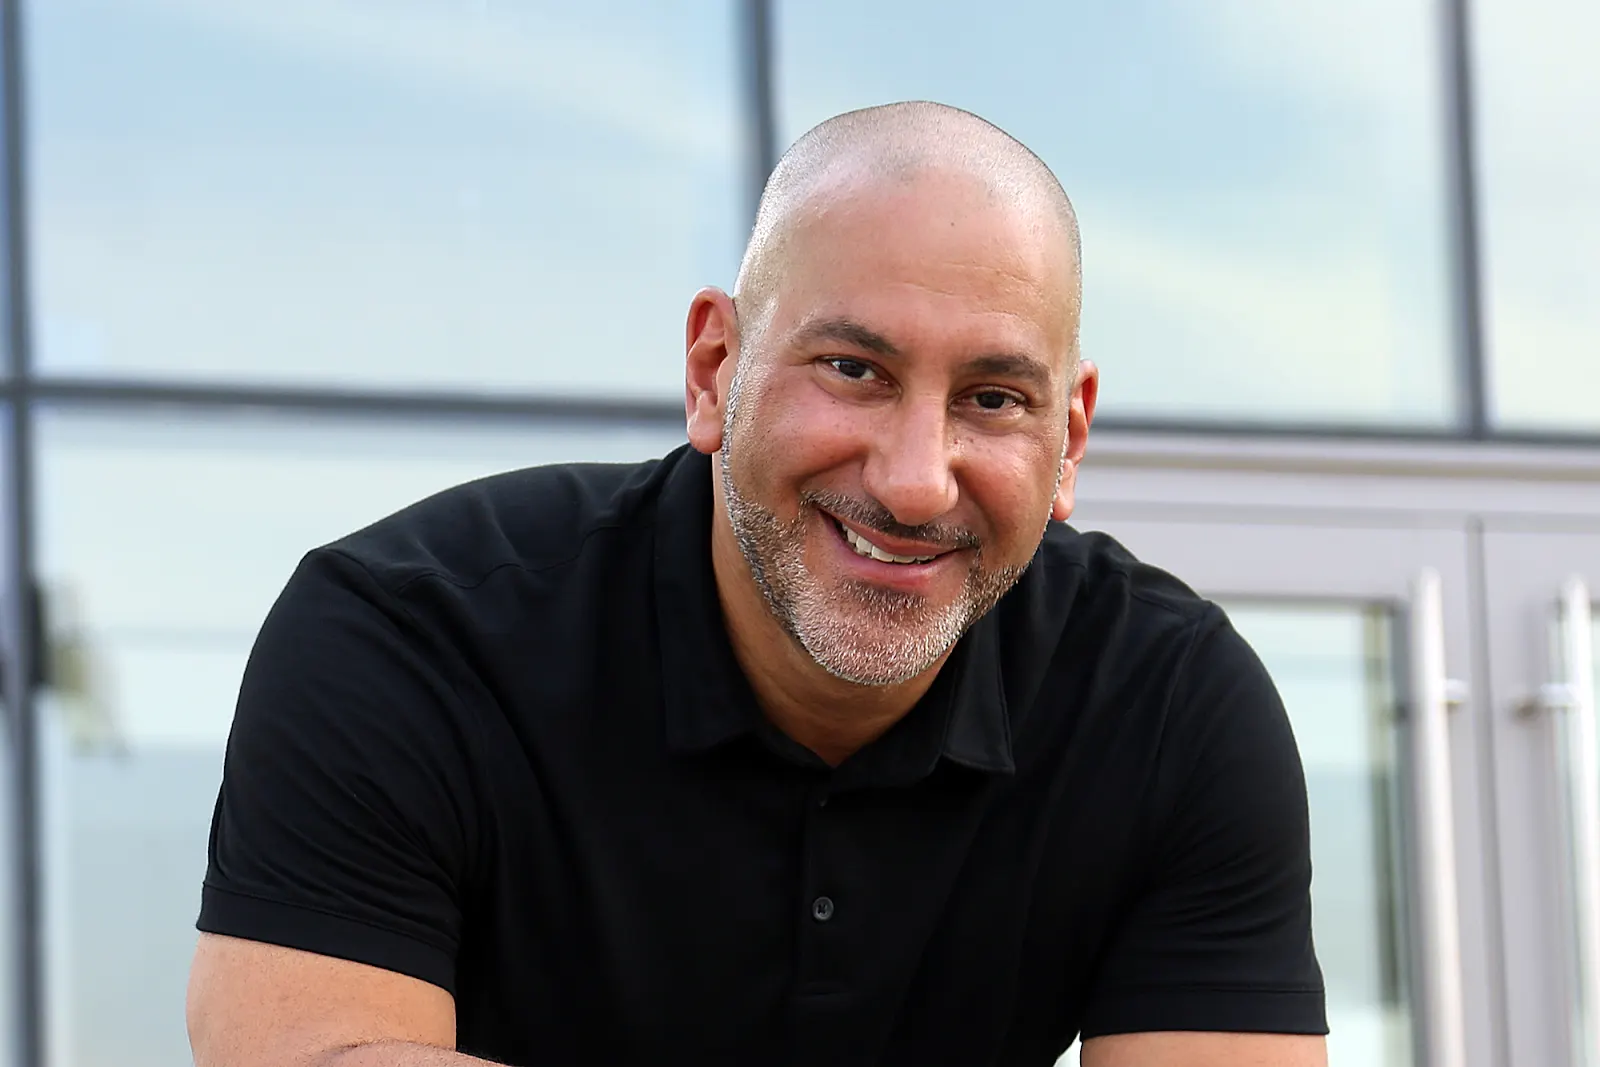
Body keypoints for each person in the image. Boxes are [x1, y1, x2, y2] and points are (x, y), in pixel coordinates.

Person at [186, 102, 1327, 1067]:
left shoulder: (1170, 704)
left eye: (992, 398)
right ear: (712, 371)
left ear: (1067, 440)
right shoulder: (409, 635)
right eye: (853, 369)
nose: (916, 481)